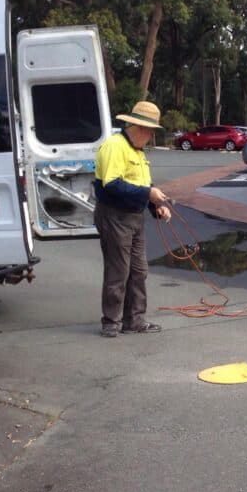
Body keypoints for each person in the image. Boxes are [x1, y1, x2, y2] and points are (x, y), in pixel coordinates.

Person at [93, 101, 172, 337]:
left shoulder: (137, 151)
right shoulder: (114, 146)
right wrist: (148, 194)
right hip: (114, 216)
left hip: (134, 217)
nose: (151, 137)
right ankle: (111, 321)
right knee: (119, 270)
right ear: (139, 128)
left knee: (138, 270)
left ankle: (134, 320)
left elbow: (142, 185)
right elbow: (112, 184)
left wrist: (156, 206)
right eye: (150, 132)